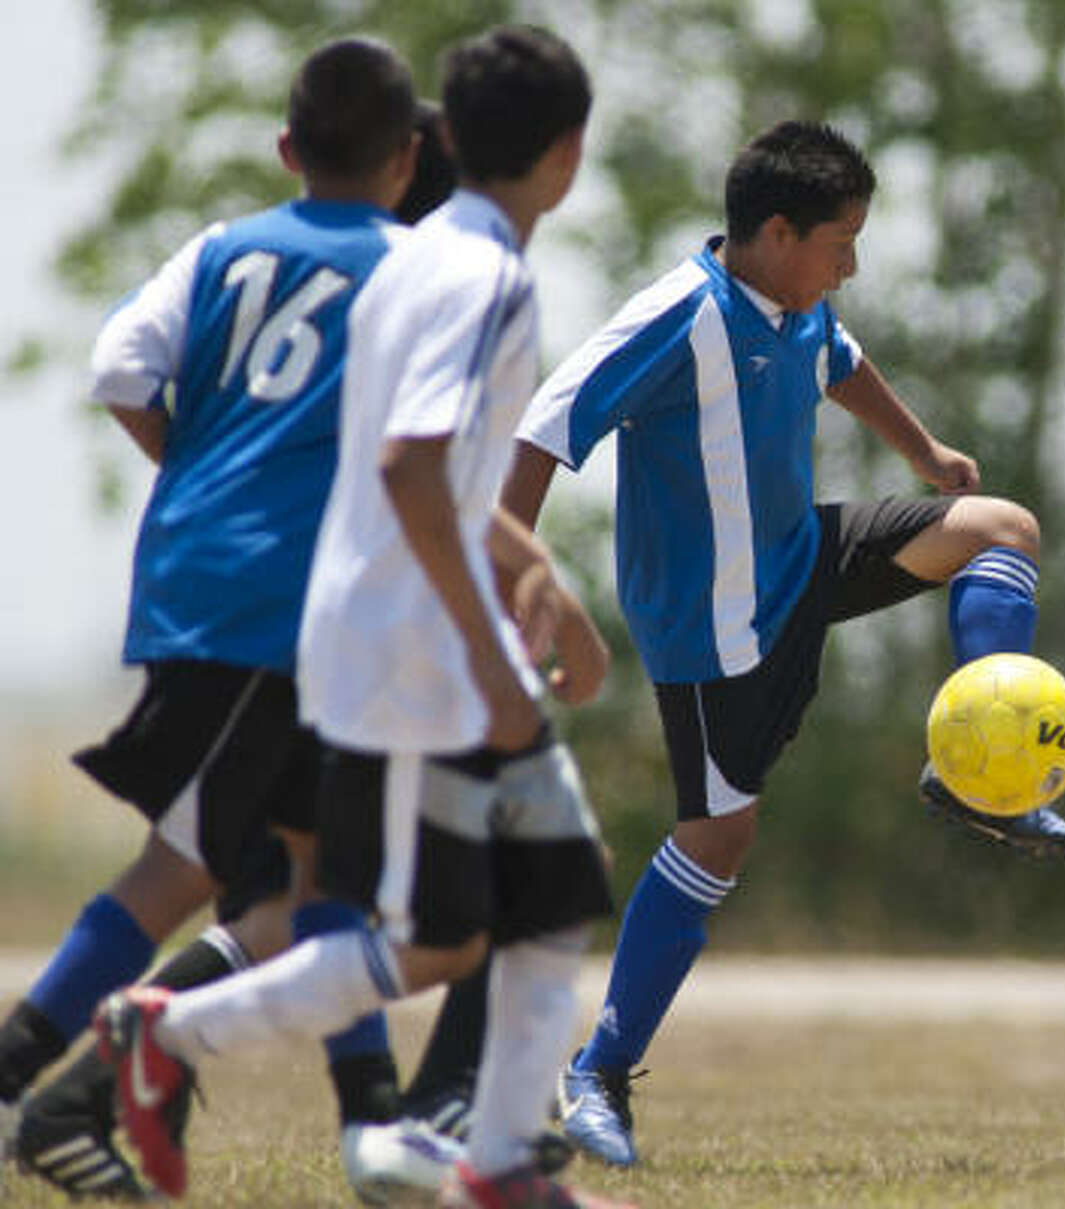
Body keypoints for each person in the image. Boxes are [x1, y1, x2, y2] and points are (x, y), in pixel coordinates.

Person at [93, 26, 633, 1209]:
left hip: (367, 633)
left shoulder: (418, 255)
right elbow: (407, 466)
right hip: (411, 649)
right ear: (569, 153)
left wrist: (535, 581)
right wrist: (494, 659)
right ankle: (167, 1031)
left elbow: (395, 461)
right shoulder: (485, 277)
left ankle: (500, 1164)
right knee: (444, 932)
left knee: (555, 883)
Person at [500, 119, 1065, 1167]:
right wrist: (511, 585)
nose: (851, 264)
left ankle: (979, 774)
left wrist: (924, 451)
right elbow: (547, 427)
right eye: (841, 243)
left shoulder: (798, 303)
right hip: (711, 621)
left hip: (800, 553)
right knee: (718, 841)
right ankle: (595, 1068)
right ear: (775, 233)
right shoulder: (677, 317)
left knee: (1000, 529)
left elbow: (840, 361)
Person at [0, 42, 469, 1202]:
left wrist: (198, 464)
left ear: (284, 149)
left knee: (311, 871)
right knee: (190, 864)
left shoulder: (221, 247)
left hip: (201, 584)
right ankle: (30, 1083)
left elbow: (120, 367)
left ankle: (369, 1124)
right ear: (408, 160)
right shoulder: (416, 269)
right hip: (284, 610)